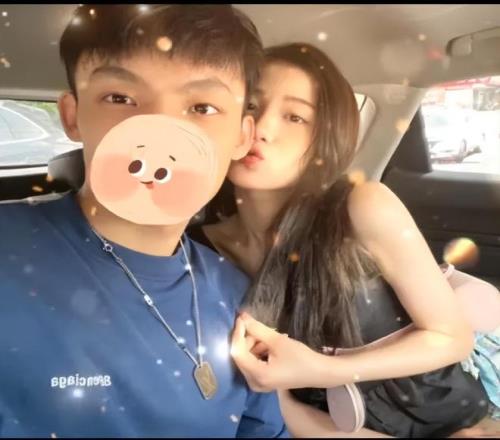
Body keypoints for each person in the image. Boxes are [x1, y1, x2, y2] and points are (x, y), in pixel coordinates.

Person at [0, 4, 288, 437]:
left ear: (242, 137)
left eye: (202, 107)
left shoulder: (235, 295)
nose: (159, 131)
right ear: (73, 116)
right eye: (120, 98)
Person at [187, 42, 491, 437]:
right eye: (250, 106)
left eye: (295, 117)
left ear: (325, 139)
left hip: (452, 420)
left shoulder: (361, 206)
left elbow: (450, 337)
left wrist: (325, 369)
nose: (262, 128)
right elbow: (281, 408)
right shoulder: (197, 250)